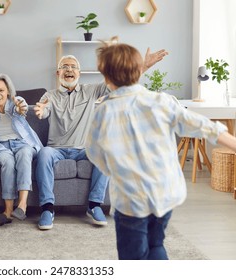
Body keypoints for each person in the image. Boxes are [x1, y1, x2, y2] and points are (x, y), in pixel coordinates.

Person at [85, 42, 236, 260]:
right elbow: (205, 126)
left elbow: (93, 151)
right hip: (164, 195)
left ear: (106, 78)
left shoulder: (104, 110)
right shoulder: (162, 101)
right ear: (139, 71)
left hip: (131, 201)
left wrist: (111, 170)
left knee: (133, 258)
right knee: (156, 245)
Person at [34, 39, 168, 230]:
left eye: (73, 67)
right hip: (57, 149)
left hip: (84, 148)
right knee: (44, 153)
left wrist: (144, 66)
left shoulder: (91, 91)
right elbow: (44, 110)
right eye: (65, 67)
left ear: (79, 73)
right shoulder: (50, 95)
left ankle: (94, 204)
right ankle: (47, 208)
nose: (69, 70)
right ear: (58, 73)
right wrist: (40, 111)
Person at [0, 73, 43, 227]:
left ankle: (22, 206)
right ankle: (7, 212)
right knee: (8, 162)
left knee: (24, 154)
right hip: (0, 146)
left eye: (1, 90)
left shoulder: (16, 102)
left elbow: (22, 108)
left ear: (8, 91)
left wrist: (20, 108)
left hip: (22, 143)